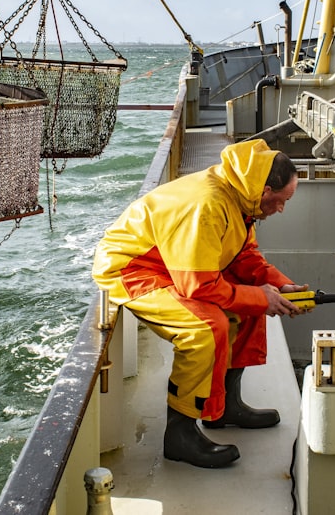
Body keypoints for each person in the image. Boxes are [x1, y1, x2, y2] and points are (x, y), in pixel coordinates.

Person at [92, 138, 308, 469]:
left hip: (176, 264)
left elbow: (243, 255)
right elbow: (198, 285)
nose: (281, 209)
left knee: (252, 305)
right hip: (136, 269)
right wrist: (259, 297)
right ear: (265, 190)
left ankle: (224, 408)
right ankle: (179, 434)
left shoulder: (240, 195)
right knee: (206, 327)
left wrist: (280, 286)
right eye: (282, 201)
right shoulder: (208, 205)